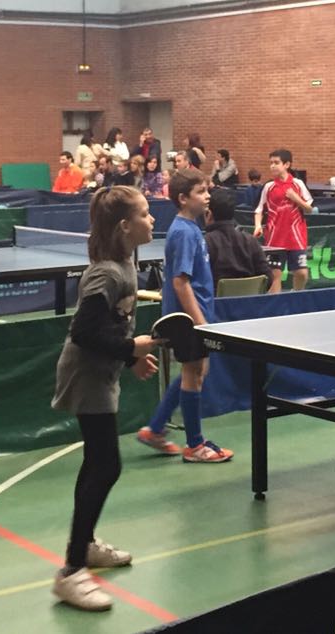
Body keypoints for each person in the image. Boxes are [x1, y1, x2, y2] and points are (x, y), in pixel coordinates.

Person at [50, 185, 161, 612]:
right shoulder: (107, 274)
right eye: (146, 213)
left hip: (103, 372)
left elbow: (110, 325)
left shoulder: (127, 263)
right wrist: (131, 348)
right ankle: (72, 570)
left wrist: (129, 358)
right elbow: (83, 332)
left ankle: (85, 545)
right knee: (106, 464)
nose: (152, 219)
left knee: (98, 464)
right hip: (86, 376)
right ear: (125, 226)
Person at [137, 168, 235, 464]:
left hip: (195, 313)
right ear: (183, 198)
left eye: (207, 191)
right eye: (200, 192)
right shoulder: (182, 232)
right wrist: (200, 323)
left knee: (196, 371)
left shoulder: (192, 228)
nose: (207, 197)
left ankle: (155, 429)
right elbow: (180, 282)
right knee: (194, 374)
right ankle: (195, 445)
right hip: (188, 318)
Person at [252, 149, 313, 292]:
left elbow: (309, 209)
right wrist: (257, 226)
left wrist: (296, 198)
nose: (272, 166)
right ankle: (276, 304)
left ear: (287, 164)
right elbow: (259, 210)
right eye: (271, 163)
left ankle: (296, 295)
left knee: (302, 273)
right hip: (274, 239)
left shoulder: (298, 184)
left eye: (276, 163)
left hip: (296, 237)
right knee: (275, 276)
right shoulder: (269, 187)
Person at [203, 188, 271, 283]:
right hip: (250, 292)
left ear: (209, 214)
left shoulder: (205, 242)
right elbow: (268, 278)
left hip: (216, 293)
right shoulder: (251, 241)